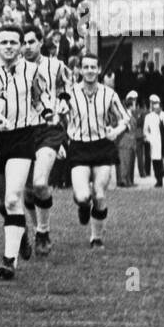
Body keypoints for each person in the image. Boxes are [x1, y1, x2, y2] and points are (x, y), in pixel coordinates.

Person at [0, 22, 48, 280]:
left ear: (21, 45)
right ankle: (20, 232)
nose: (9, 47)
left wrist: (49, 110)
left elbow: (41, 98)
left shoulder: (33, 71)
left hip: (22, 136)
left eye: (14, 42)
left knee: (13, 197)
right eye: (4, 42)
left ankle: (9, 260)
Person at [65, 53, 129, 248]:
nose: (90, 71)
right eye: (86, 67)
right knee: (83, 196)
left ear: (99, 70)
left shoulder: (109, 94)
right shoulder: (70, 93)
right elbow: (57, 116)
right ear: (80, 70)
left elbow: (125, 119)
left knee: (99, 194)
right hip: (79, 147)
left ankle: (96, 238)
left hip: (102, 146)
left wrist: (116, 131)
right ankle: (83, 207)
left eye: (94, 67)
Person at [20, 26, 72, 257]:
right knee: (28, 190)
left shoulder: (56, 65)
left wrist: (64, 105)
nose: (27, 46)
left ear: (41, 42)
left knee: (40, 183)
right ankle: (37, 229)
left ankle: (42, 231)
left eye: (31, 41)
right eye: (24, 42)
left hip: (49, 129)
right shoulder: (14, 67)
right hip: (22, 130)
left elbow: (68, 90)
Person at [143, 94, 164, 186]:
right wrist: (150, 139)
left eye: (158, 106)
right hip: (156, 142)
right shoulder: (149, 117)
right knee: (156, 161)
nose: (157, 108)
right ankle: (159, 180)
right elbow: (145, 131)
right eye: (154, 106)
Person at [116, 90, 140, 186]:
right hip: (125, 142)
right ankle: (123, 180)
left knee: (130, 162)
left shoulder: (131, 115)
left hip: (131, 142)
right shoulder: (124, 115)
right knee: (124, 162)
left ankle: (129, 180)